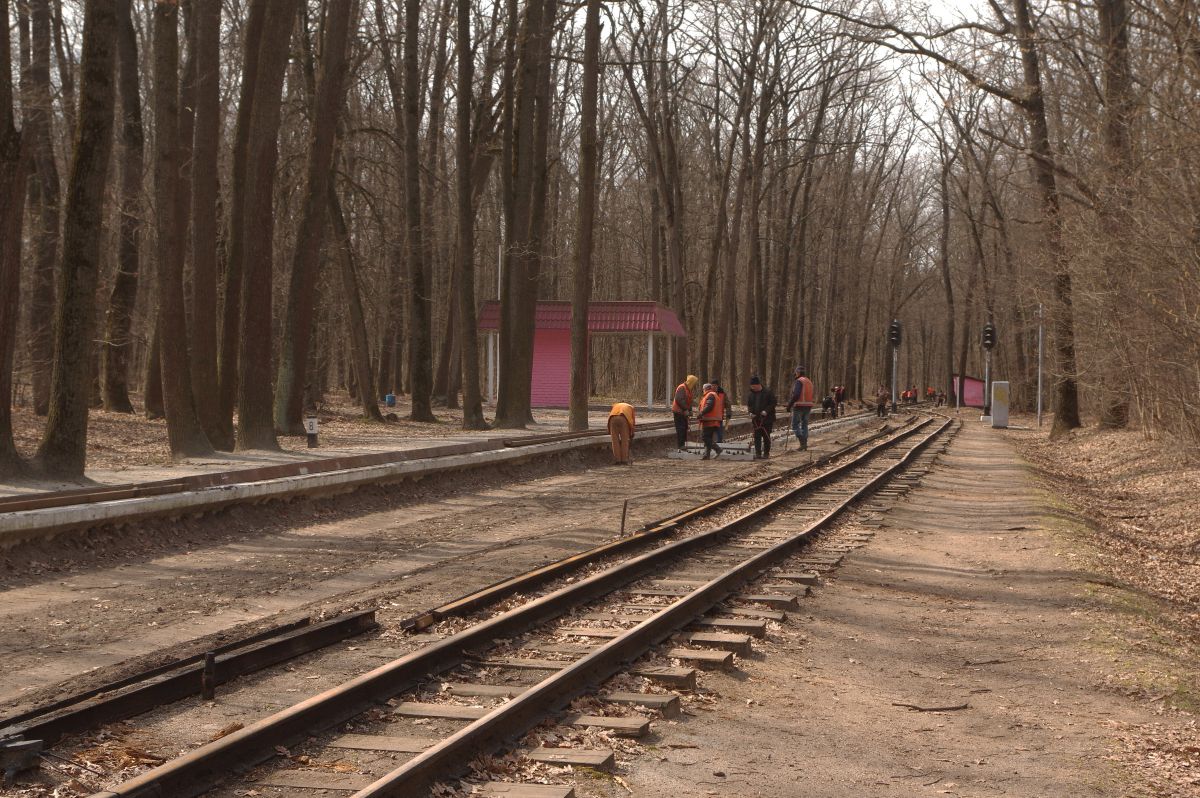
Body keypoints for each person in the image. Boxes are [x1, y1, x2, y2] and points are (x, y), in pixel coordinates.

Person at [746, 376, 777, 459]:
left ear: (758, 385)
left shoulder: (768, 392)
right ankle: (758, 453)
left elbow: (773, 403)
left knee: (766, 436)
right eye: (751, 386)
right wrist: (750, 413)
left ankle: (766, 453)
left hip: (767, 419)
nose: (752, 388)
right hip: (756, 419)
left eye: (753, 386)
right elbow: (749, 405)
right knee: (757, 437)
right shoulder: (751, 394)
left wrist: (766, 411)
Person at [785, 366, 815, 451]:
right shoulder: (809, 381)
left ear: (797, 373)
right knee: (804, 425)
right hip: (808, 406)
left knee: (795, 425)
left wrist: (789, 405)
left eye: (796, 372)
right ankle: (804, 444)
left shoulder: (799, 381)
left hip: (799, 406)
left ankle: (802, 442)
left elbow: (796, 394)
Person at [671, 374, 699, 449]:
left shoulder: (688, 389)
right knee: (681, 428)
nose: (694, 385)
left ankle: (683, 444)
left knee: (684, 428)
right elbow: (679, 399)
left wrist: (690, 410)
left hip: (682, 412)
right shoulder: (682, 388)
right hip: (678, 412)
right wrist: (685, 409)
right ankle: (681, 445)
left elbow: (688, 401)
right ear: (691, 382)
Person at [697, 382, 724, 459]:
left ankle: (717, 449)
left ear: (705, 389)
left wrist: (701, 413)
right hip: (713, 420)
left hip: (710, 420)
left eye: (703, 389)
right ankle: (706, 455)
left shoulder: (710, 395)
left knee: (705, 437)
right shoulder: (713, 394)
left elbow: (709, 406)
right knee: (708, 437)